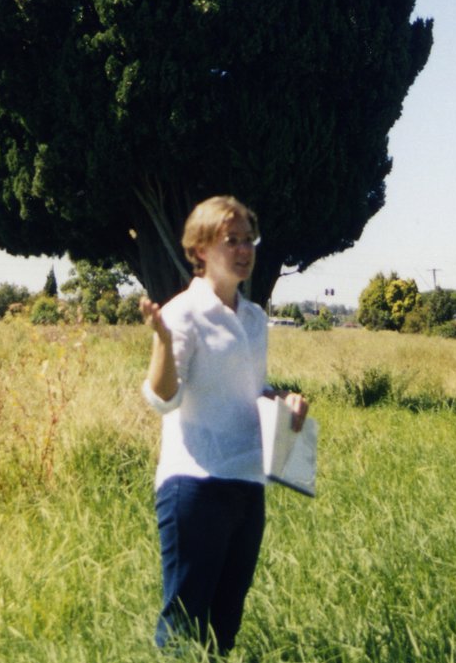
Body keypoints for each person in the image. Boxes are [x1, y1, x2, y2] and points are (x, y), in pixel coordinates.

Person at [141, 195, 308, 653]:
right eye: (230, 240)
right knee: (183, 627)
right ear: (200, 250)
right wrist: (161, 342)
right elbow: (162, 399)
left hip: (248, 482)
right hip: (194, 483)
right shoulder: (181, 314)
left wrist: (283, 403)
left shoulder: (254, 319)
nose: (244, 249)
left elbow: (249, 390)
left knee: (224, 627)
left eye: (248, 239)